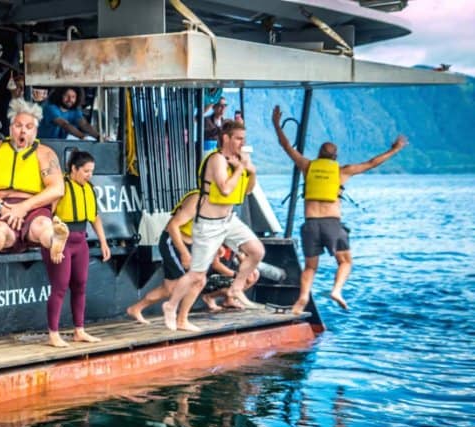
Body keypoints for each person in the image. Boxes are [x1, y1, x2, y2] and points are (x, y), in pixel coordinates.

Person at [272, 105, 407, 313]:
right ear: (335, 158)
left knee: (310, 267)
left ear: (319, 155)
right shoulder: (343, 171)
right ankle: (336, 290)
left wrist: (276, 124)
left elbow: (286, 146)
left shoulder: (307, 166)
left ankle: (302, 298)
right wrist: (395, 149)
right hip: (332, 224)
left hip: (310, 225)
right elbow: (372, 163)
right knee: (345, 262)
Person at [162, 120, 265, 331]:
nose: (242, 143)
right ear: (226, 138)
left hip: (229, 220)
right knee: (197, 277)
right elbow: (225, 189)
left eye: (244, 139)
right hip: (209, 223)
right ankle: (172, 308)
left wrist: (250, 172)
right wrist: (239, 170)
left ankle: (235, 290)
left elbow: (245, 191)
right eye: (238, 138)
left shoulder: (238, 161)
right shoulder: (217, 160)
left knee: (256, 251)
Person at [0, 98, 70, 263]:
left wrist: (24, 207)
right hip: (2, 208)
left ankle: (55, 239)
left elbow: (57, 189)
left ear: (35, 131)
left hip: (34, 207)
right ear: (10, 127)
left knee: (42, 226)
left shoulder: (45, 153)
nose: (23, 132)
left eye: (29, 127)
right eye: (18, 126)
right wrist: (2, 207)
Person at [43, 150, 111, 347]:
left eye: (92, 171)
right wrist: (52, 243)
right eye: (86, 171)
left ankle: (79, 330)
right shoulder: (60, 187)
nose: (90, 175)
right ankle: (53, 334)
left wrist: (103, 242)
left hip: (81, 241)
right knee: (60, 286)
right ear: (74, 169)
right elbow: (46, 215)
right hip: (61, 240)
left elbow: (95, 217)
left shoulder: (89, 188)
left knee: (80, 285)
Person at [126, 190, 199, 325]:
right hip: (173, 242)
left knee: (168, 289)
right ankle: (182, 319)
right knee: (194, 281)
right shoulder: (197, 199)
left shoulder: (219, 202)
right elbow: (172, 226)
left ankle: (135, 308)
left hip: (191, 244)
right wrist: (184, 253)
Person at [201, 246, 260, 312]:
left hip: (224, 276)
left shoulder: (234, 245)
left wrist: (251, 270)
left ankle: (229, 300)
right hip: (208, 277)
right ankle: (209, 297)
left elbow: (244, 260)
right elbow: (216, 265)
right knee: (235, 282)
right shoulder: (216, 243)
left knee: (255, 274)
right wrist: (236, 275)